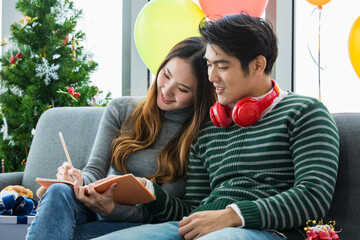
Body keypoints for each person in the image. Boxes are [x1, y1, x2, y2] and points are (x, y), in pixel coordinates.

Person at [93, 13, 340, 240]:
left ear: (257, 65)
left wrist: (232, 215)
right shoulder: (209, 128)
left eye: (222, 66)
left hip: (264, 231)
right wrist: (152, 193)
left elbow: (313, 197)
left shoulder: (305, 112)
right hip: (204, 226)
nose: (211, 77)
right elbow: (192, 209)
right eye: (209, 65)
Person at [25, 36, 216, 240]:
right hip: (92, 210)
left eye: (183, 89)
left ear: (199, 95)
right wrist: (78, 180)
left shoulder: (200, 135)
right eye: (166, 75)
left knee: (69, 233)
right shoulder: (121, 110)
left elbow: (165, 214)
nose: (167, 91)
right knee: (58, 192)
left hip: (138, 226)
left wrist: (112, 209)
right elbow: (95, 171)